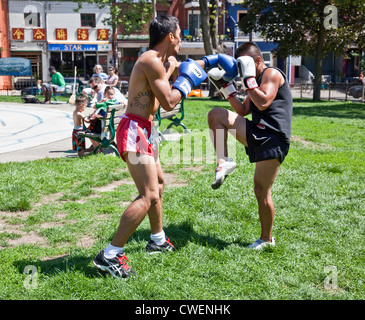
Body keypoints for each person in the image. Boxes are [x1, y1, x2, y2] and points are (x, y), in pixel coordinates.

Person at [92, 15, 207, 278]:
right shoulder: (150, 60)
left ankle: (157, 239)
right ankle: (110, 254)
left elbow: (154, 105)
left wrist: (168, 72)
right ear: (171, 36)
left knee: (159, 184)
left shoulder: (155, 63)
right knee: (148, 195)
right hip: (134, 130)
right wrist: (187, 80)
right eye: (180, 34)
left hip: (144, 128)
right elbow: (168, 102)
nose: (181, 39)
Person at [207, 42, 293, 250]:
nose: (243, 70)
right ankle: (224, 161)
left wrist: (248, 80)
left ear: (258, 61)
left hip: (273, 137)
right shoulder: (254, 80)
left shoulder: (271, 74)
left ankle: (266, 239)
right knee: (215, 115)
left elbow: (263, 102)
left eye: (246, 65)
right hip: (256, 130)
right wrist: (225, 87)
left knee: (261, 189)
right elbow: (244, 109)